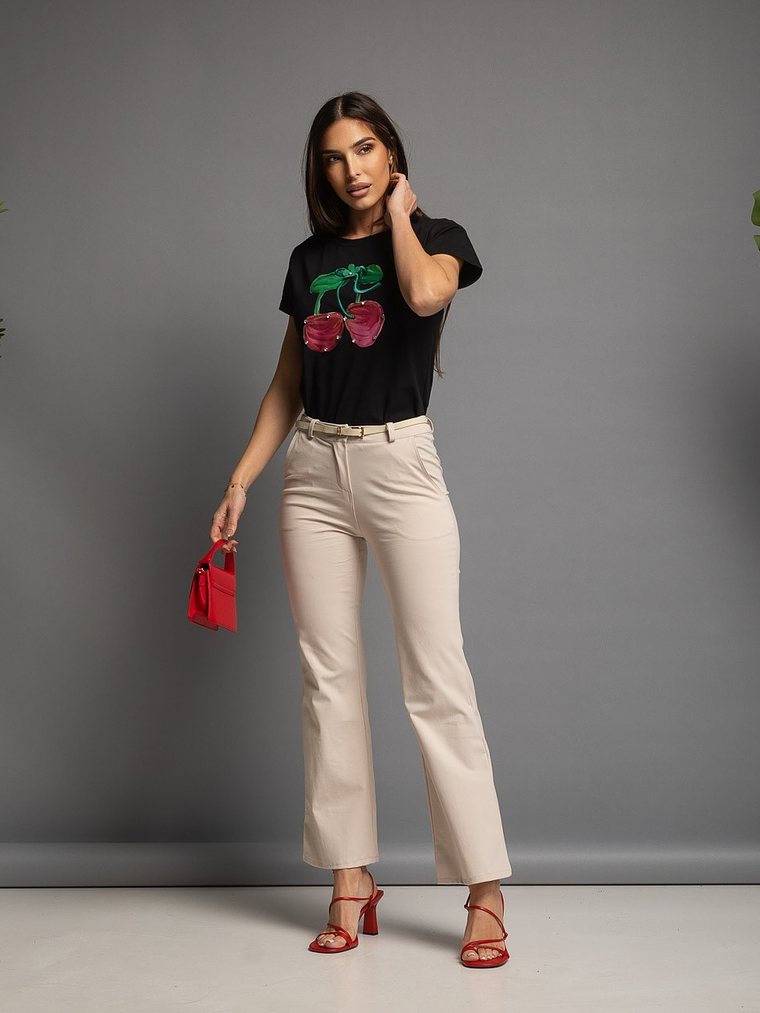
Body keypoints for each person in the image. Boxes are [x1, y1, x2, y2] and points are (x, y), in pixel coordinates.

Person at [209, 91, 513, 968]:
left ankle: (484, 888)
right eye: (336, 156)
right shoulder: (308, 260)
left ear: (392, 154)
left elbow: (419, 293)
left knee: (435, 678)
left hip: (399, 462)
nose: (353, 169)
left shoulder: (440, 237)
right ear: (322, 170)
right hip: (313, 469)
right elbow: (289, 381)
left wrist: (405, 216)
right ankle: (350, 876)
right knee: (328, 679)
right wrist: (240, 480)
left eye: (367, 148)